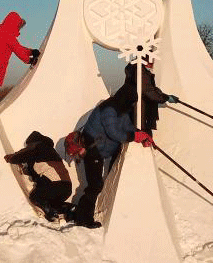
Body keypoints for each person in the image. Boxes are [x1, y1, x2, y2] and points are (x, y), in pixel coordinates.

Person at [64, 97, 153, 229]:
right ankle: (84, 218)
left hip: (95, 150)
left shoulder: (117, 113)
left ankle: (80, 215)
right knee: (95, 186)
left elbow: (123, 129)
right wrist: (136, 136)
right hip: (92, 150)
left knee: (94, 185)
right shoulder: (112, 112)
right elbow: (116, 132)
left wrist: (139, 135)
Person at [4, 131, 72, 221]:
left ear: (33, 143)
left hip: (55, 185)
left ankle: (51, 215)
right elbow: (38, 168)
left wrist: (11, 158)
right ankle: (70, 209)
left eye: (28, 146)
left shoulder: (39, 147)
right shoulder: (48, 151)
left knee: (36, 196)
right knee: (51, 203)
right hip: (66, 188)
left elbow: (22, 155)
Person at [113, 58, 178, 134]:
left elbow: (149, 88)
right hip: (141, 112)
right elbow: (148, 91)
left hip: (135, 110)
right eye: (151, 60)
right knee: (143, 133)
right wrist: (166, 98)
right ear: (145, 60)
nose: (153, 63)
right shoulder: (140, 72)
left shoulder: (136, 70)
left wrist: (163, 95)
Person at [0, 11, 40, 90]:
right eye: (19, 26)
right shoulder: (8, 35)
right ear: (15, 24)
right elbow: (18, 51)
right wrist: (30, 60)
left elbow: (16, 47)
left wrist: (31, 52)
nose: (19, 29)